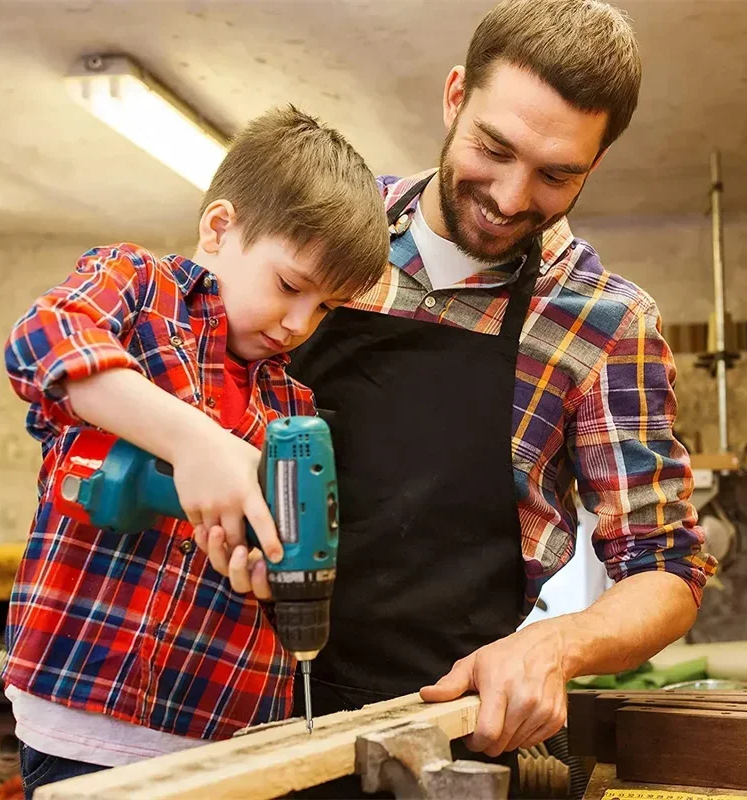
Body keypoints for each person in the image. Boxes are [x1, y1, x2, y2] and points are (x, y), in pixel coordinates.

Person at [206, 1, 718, 794]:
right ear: (454, 98)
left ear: (596, 163)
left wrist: (556, 647)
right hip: (218, 719)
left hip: (432, 742)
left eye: (557, 174)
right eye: (494, 148)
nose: (512, 197)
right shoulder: (316, 234)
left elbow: (665, 567)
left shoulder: (609, 324)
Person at [2, 105, 389, 798]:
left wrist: (268, 575)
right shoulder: (140, 290)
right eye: (292, 286)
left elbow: (279, 561)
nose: (301, 325)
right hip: (80, 715)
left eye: (326, 308)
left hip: (223, 732)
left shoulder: (293, 414)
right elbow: (41, 339)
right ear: (219, 229)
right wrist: (195, 442)